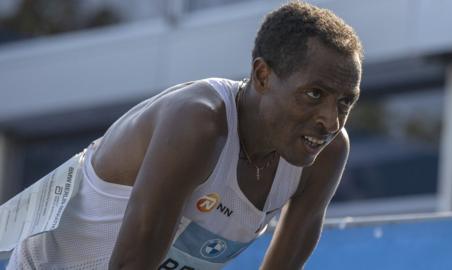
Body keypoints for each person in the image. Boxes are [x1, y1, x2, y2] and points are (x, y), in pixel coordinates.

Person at [5, 1, 362, 269]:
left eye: (346, 101)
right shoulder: (198, 123)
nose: (331, 121)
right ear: (263, 75)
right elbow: (132, 263)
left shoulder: (325, 155)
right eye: (314, 94)